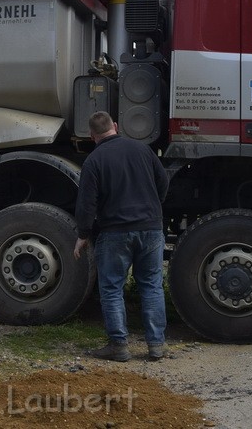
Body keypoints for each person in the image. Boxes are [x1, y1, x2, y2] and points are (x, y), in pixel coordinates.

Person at [73, 111, 170, 362]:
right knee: (151, 285)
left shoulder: (94, 161)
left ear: (92, 136)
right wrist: (153, 207)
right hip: (150, 228)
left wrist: (83, 234)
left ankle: (119, 346)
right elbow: (163, 180)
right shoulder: (142, 150)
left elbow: (86, 203)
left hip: (114, 232)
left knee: (112, 288)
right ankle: (156, 345)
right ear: (115, 126)